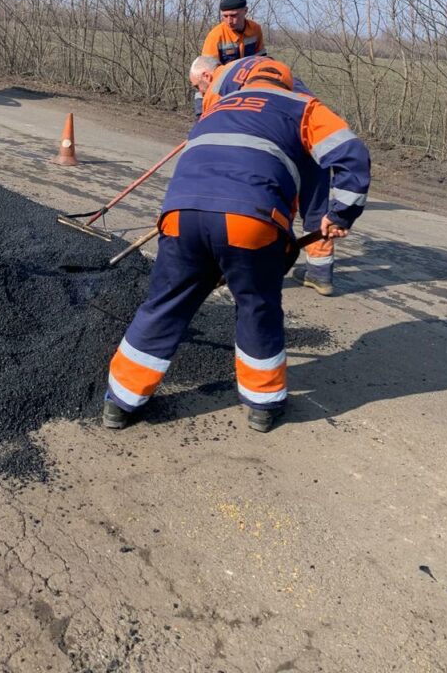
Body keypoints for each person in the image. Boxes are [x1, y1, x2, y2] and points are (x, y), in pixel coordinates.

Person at [103, 58, 370, 434]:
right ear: (289, 84)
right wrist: (340, 214)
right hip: (250, 221)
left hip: (181, 216)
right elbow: (350, 153)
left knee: (165, 304)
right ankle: (262, 405)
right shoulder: (303, 107)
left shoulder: (216, 107)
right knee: (257, 307)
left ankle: (121, 402)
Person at [200, 55, 337, 295]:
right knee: (315, 206)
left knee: (265, 204)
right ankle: (320, 274)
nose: (199, 93)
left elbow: (214, 134)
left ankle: (247, 269)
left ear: (206, 76)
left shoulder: (218, 85)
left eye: (196, 88)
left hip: (281, 145)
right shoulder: (262, 69)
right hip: (313, 133)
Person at [202, 0, 265, 66]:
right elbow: (209, 68)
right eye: (225, 16)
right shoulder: (215, 35)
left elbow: (261, 57)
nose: (229, 21)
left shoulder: (255, 29)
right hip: (225, 76)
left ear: (245, 10)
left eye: (233, 15)